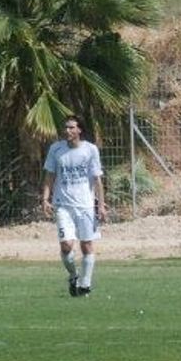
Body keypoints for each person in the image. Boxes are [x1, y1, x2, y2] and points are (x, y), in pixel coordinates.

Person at [42, 115, 107, 296]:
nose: (67, 131)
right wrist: (45, 199)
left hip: (85, 205)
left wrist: (101, 205)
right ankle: (73, 275)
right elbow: (49, 175)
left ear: (79, 130)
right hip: (62, 204)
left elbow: (97, 179)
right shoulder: (56, 149)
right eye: (66, 127)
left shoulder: (90, 150)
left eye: (71, 127)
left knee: (87, 245)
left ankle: (85, 284)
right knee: (66, 246)